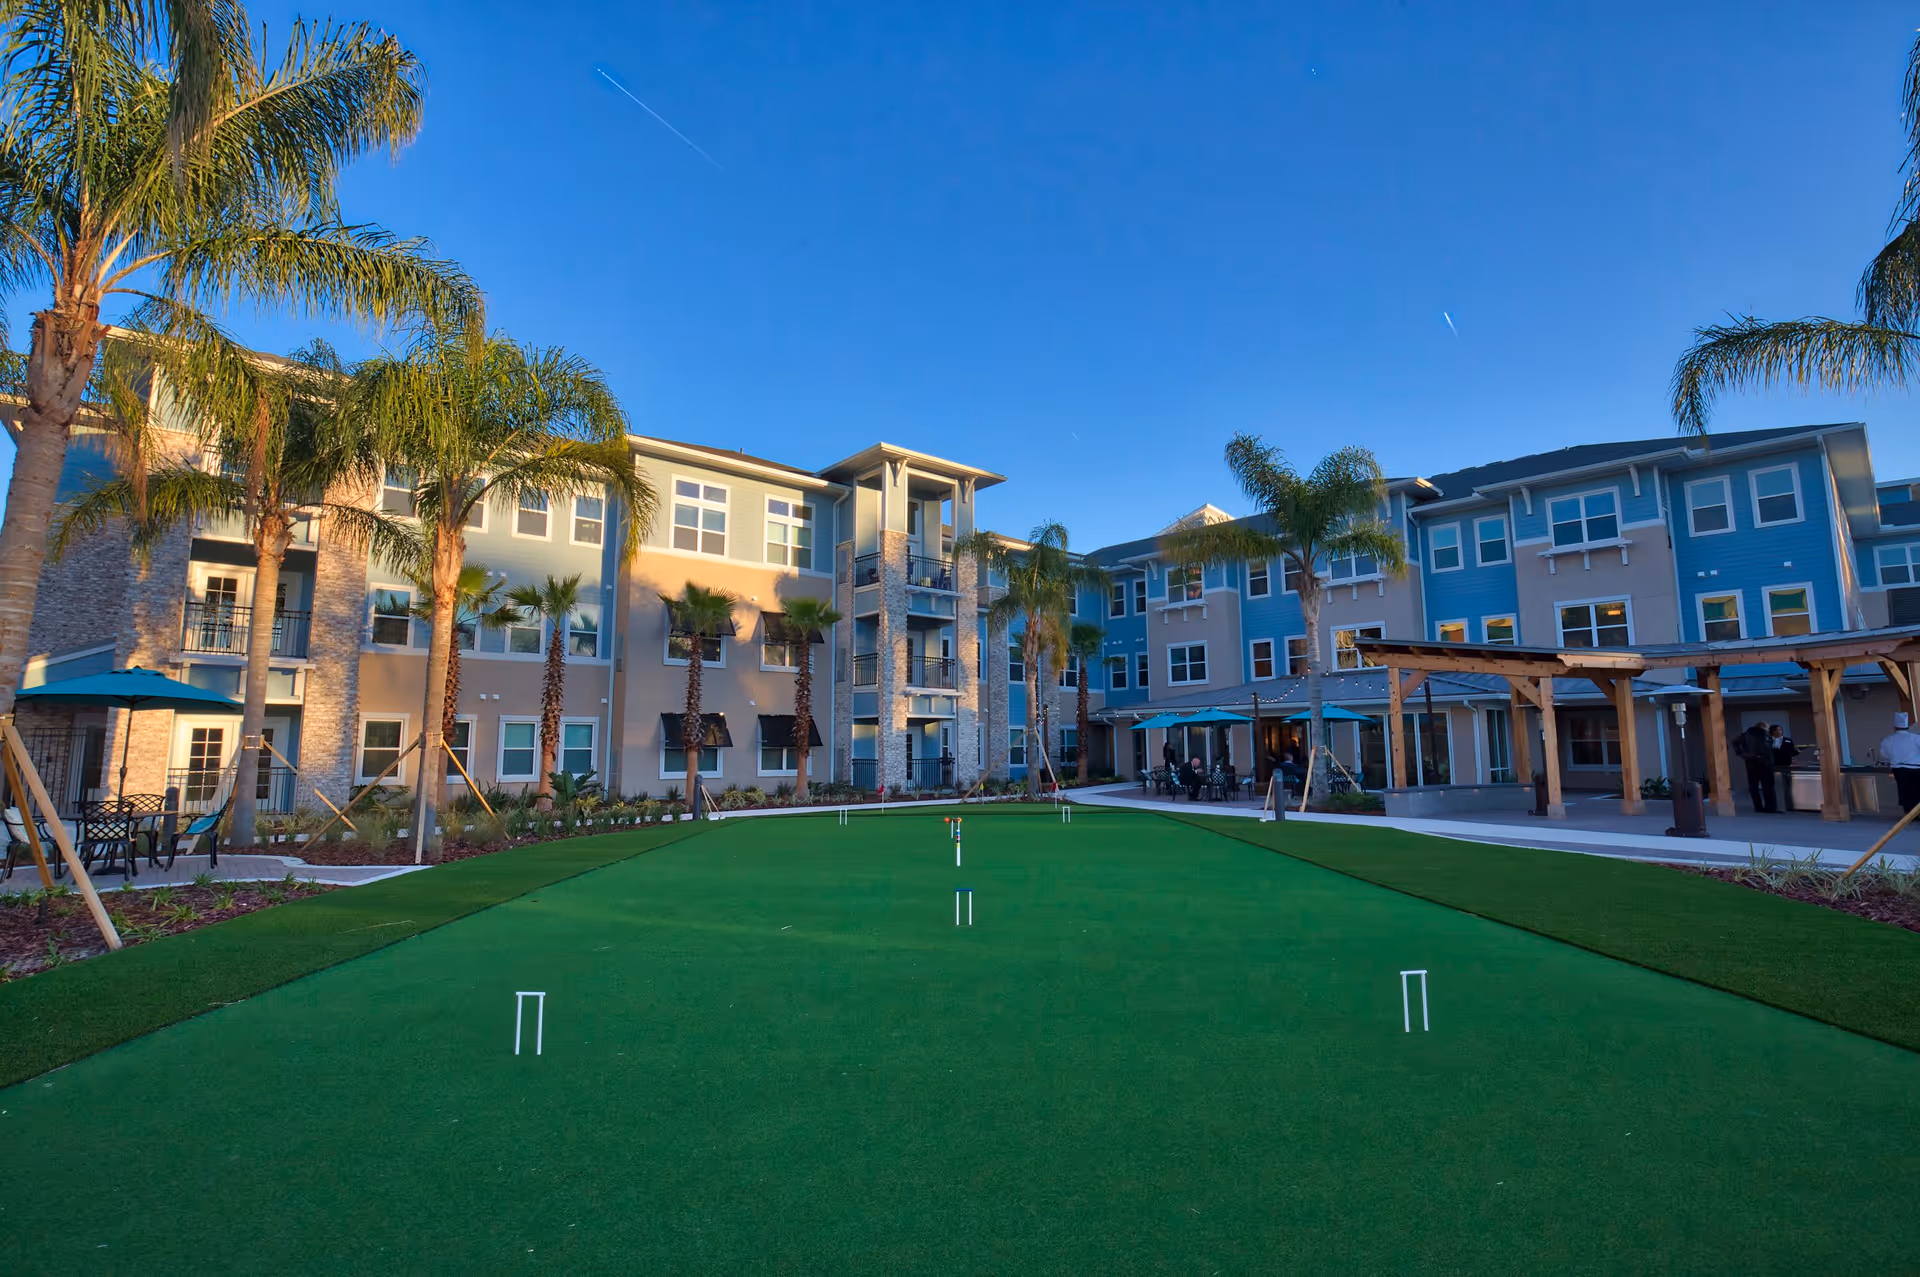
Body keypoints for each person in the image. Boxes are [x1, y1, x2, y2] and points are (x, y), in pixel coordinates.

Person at [1878, 712, 1920, 813]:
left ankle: (1908, 814)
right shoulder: (1916, 738)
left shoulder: (1888, 739)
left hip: (1899, 769)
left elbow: (1884, 754)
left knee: (1904, 792)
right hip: (1916, 768)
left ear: (1895, 727)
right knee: (1917, 792)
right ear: (1907, 726)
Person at [1739, 723, 1777, 813]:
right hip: (1764, 763)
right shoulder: (1765, 735)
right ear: (1763, 727)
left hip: (1751, 763)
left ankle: (1758, 807)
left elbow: (1736, 744)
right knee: (1767, 786)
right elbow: (1769, 750)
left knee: (1753, 786)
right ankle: (1770, 807)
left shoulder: (1745, 735)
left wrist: (1745, 755)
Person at [1769, 724, 1799, 812]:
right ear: (1772, 732)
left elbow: (1792, 752)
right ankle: (1777, 805)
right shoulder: (1769, 741)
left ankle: (1789, 805)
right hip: (1774, 766)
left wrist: (1797, 751)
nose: (1779, 732)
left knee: (1788, 786)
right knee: (1775, 785)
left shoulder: (1788, 740)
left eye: (1780, 730)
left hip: (1786, 765)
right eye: (1776, 730)